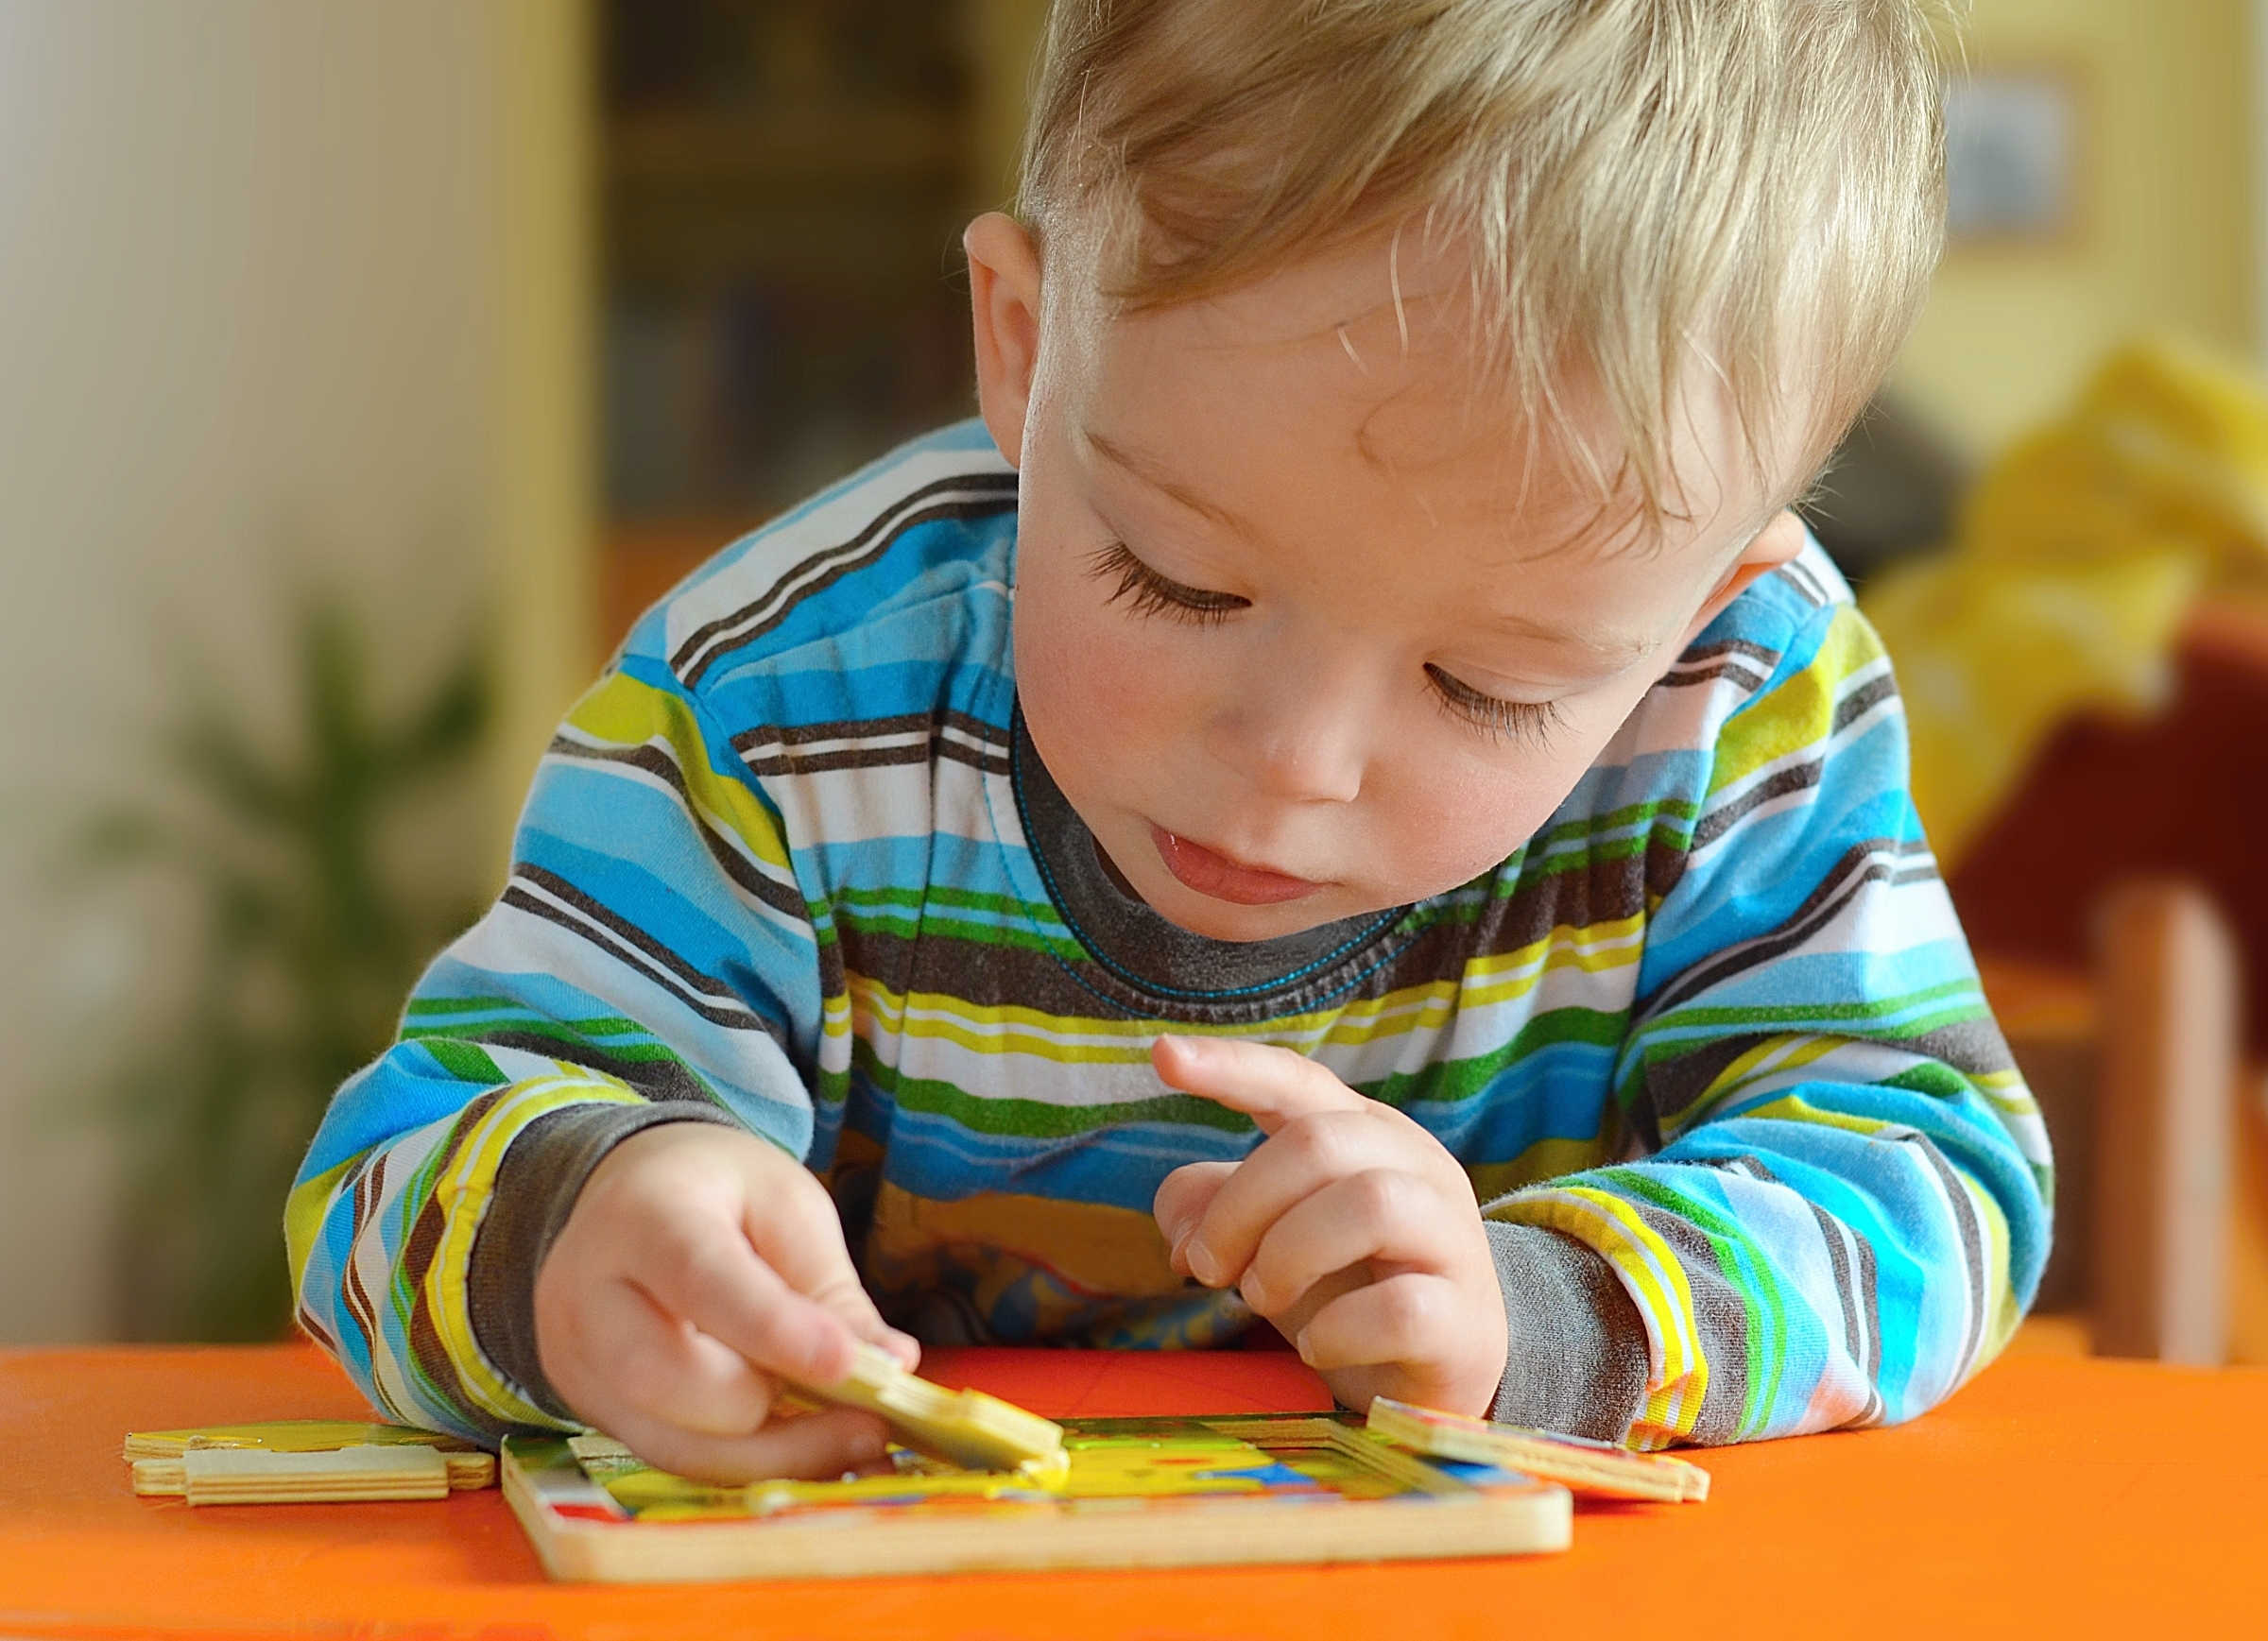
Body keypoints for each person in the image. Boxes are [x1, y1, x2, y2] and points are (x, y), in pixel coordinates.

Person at [289, 0, 2049, 1482]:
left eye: (1491, 687)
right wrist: (570, 1223)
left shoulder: (1740, 697)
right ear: (1025, 345)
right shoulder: (775, 702)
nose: (1295, 762)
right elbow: (382, 1180)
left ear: (1701, 601)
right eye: (1182, 582)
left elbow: (1937, 1182)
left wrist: (1554, 1310)